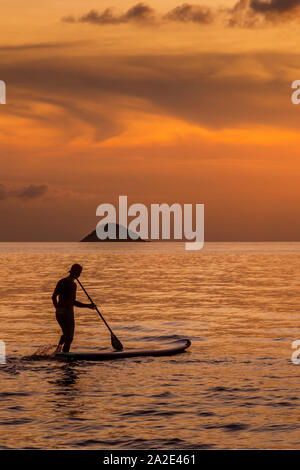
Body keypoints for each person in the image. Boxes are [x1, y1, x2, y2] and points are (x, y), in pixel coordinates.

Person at [52, 263, 95, 353]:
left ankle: (58, 351)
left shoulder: (61, 281)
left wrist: (58, 308)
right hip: (67, 312)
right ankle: (65, 355)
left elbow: (53, 297)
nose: (79, 275)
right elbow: (73, 302)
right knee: (69, 338)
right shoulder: (72, 284)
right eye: (79, 273)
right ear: (78, 273)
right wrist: (88, 306)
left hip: (59, 312)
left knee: (65, 334)